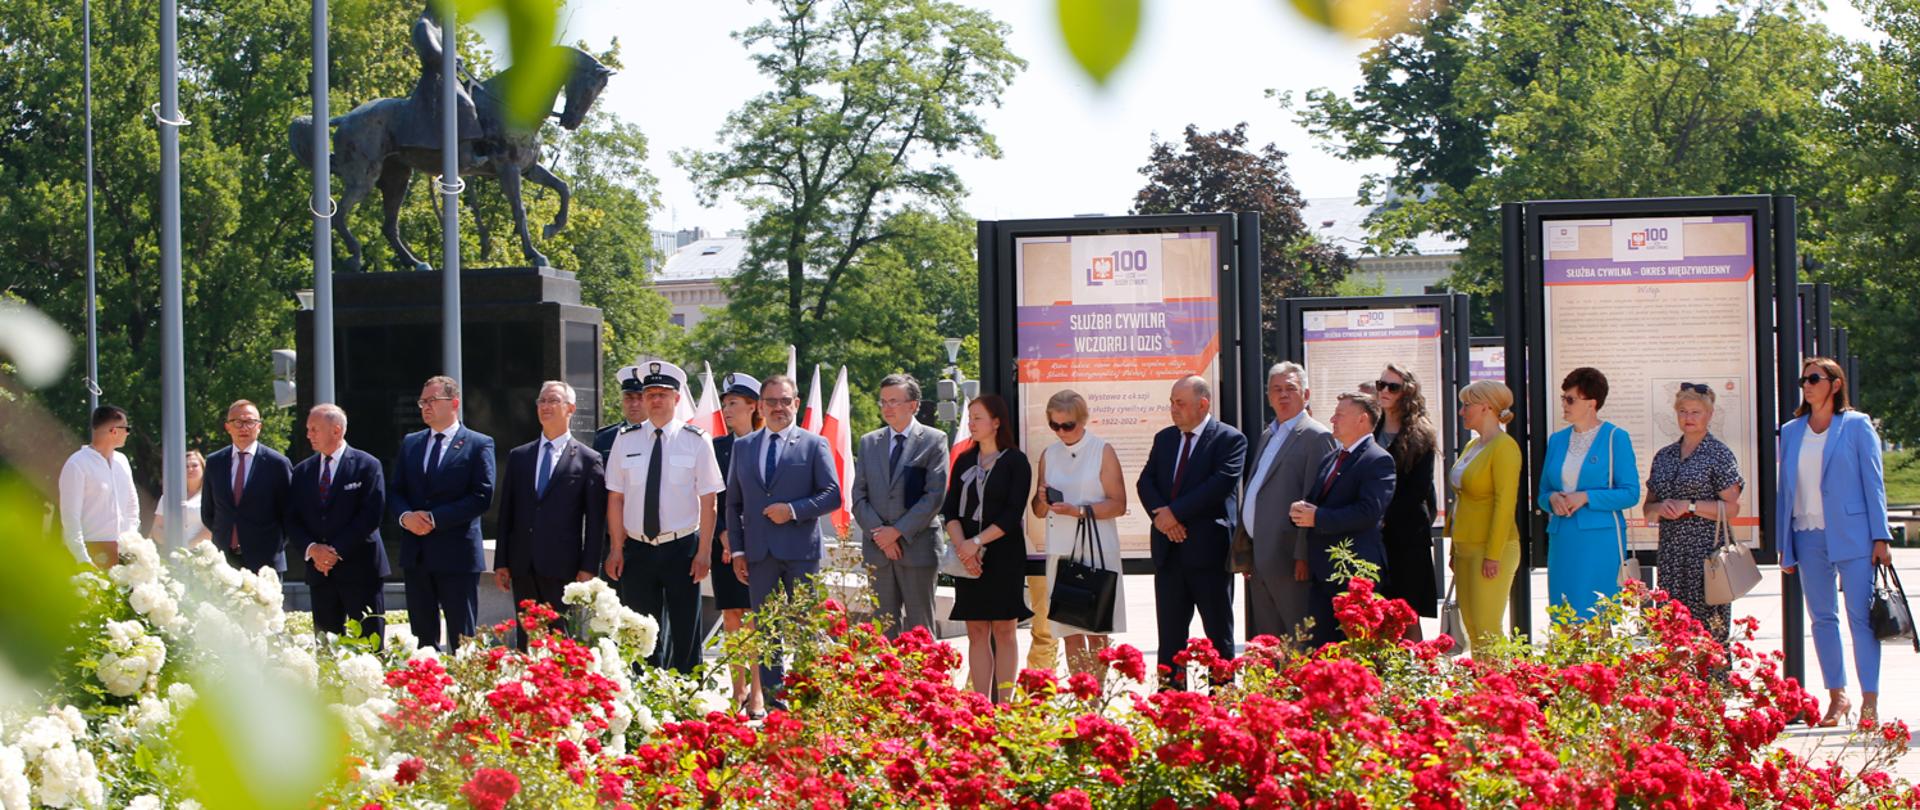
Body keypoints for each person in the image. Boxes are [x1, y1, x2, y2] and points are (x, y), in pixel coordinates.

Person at [1778, 357, 1894, 727]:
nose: (1807, 386)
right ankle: (1837, 696)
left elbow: (1874, 483)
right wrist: (1785, 544)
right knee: (1822, 619)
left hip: (1854, 535)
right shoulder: (1791, 431)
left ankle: (1870, 700)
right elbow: (1785, 492)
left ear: (1836, 383)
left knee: (1860, 618)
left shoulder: (1856, 425)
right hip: (1806, 533)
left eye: (1814, 378)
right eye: (1804, 380)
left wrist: (1881, 536)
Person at [724, 374, 840, 701]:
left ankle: (807, 701)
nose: (779, 407)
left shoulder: (814, 444)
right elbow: (733, 503)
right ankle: (775, 706)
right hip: (759, 555)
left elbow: (832, 495)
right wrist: (738, 551)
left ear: (796, 404)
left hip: (801, 553)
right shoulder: (744, 447)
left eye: (785, 401)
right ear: (760, 406)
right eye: (772, 401)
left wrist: (792, 510)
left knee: (806, 629)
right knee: (766, 632)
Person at [604, 362, 724, 674]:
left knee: (685, 633)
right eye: (650, 394)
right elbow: (615, 498)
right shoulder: (625, 439)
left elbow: (709, 500)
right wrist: (616, 548)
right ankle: (643, 695)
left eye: (663, 394)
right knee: (639, 633)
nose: (655, 400)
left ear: (677, 399)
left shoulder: (696, 439)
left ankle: (688, 695)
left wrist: (704, 552)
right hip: (638, 549)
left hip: (681, 549)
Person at [1137, 376, 1247, 684]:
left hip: (1208, 555)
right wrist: (1164, 519)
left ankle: (1222, 702)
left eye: (1180, 403)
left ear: (1203, 404)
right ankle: (1172, 702)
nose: (1174, 409)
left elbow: (1219, 485)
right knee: (1170, 641)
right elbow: (1146, 482)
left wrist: (1173, 514)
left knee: (1218, 638)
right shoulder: (1165, 439)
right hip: (1169, 555)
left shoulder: (1229, 439)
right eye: (1172, 402)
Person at [493, 381, 606, 648]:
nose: (545, 406)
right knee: (527, 640)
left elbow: (595, 521)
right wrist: (502, 562)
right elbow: (507, 512)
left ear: (570, 409)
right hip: (523, 565)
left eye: (553, 400)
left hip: (562, 567)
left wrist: (589, 567)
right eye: (541, 401)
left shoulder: (588, 459)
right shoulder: (520, 456)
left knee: (559, 641)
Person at [389, 375, 497, 651]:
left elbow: (481, 496)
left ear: (454, 403)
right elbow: (396, 491)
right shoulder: (411, 443)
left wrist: (435, 519)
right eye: (422, 402)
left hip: (456, 555)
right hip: (417, 554)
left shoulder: (478, 443)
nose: (425, 407)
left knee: (462, 641)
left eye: (432, 400)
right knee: (423, 641)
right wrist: (406, 518)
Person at [1237, 362, 1337, 646]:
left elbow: (1316, 498)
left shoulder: (1317, 436)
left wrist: (1303, 554)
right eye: (1276, 389)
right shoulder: (1269, 434)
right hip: (1262, 556)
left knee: (1299, 641)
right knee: (1269, 643)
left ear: (1306, 395)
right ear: (1268, 396)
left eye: (1290, 388)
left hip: (1291, 559)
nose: (1283, 395)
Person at [1029, 389, 1126, 675]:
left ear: (1083, 420)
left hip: (1096, 549)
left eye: (1067, 425)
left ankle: (1097, 696)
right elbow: (1038, 510)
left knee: (1096, 631)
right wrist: (1042, 498)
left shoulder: (1102, 450)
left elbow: (1119, 504)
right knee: (1068, 632)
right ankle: (1081, 694)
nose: (1061, 431)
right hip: (1060, 549)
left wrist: (1079, 511)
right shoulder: (1049, 454)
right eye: (1054, 425)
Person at [943, 395, 1033, 701]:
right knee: (977, 630)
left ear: (996, 422)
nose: (971, 423)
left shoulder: (1015, 461)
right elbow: (950, 510)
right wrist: (963, 548)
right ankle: (980, 704)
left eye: (978, 417)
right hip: (967, 555)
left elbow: (1012, 513)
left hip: (1003, 553)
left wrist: (977, 543)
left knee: (1005, 630)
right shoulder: (964, 460)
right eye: (970, 418)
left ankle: (1004, 705)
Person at [1291, 393, 1395, 647]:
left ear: (1362, 419)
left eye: (1339, 414)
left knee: (1353, 650)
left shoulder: (1378, 459)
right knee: (1321, 650)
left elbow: (1368, 512)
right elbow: (1317, 501)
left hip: (1354, 572)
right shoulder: (1332, 457)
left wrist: (1318, 517)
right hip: (1323, 572)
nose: (1332, 419)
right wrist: (1301, 511)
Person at [1643, 383, 1744, 645]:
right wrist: (1659, 509)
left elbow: (1732, 507)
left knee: (1709, 630)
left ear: (1709, 414)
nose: (1688, 418)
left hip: (1707, 553)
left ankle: (1712, 673)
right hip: (1672, 552)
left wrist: (1689, 505)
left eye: (1695, 412)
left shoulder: (1718, 454)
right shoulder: (1664, 456)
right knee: (1672, 627)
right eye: (1683, 411)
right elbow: (1648, 509)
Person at [850, 374, 949, 638]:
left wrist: (896, 532)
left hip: (917, 549)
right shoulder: (869, 442)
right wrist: (880, 535)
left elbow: (934, 496)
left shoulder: (934, 440)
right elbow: (858, 496)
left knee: (920, 632)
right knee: (882, 632)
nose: (887, 408)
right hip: (878, 552)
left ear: (913, 405)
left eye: (894, 401)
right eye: (883, 402)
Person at [1537, 367, 1639, 621]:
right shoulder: (1557, 440)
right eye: (1563, 398)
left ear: (1591, 403)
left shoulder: (1616, 437)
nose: (1564, 404)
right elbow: (1543, 493)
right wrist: (1552, 499)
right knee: (1563, 614)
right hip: (1563, 537)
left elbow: (1630, 493)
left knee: (1597, 616)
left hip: (1600, 539)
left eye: (1570, 399)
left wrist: (1586, 497)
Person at [285, 404, 390, 644]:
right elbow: (292, 518)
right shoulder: (302, 471)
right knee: (326, 648)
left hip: (361, 570)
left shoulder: (367, 465)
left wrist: (335, 551)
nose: (309, 434)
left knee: (369, 646)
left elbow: (371, 515)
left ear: (336, 430)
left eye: (314, 429)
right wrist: (314, 550)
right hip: (320, 573)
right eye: (308, 429)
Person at [1447, 381, 1523, 654]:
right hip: (1466, 546)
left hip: (1492, 548)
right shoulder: (1472, 445)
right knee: (1472, 628)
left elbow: (1505, 504)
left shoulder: (1505, 447)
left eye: (1467, 405)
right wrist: (1454, 549)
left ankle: (1502, 680)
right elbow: (1462, 499)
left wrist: (1493, 554)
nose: (1462, 411)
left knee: (1487, 628)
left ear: (1486, 407)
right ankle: (1482, 680)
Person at [1373, 364, 1439, 637]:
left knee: (1407, 614)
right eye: (1381, 385)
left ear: (1407, 392)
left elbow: (1418, 489)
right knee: (1378, 614)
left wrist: (1383, 517)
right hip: (1376, 536)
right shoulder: (1373, 426)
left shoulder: (1421, 433)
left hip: (1407, 535)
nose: (1384, 391)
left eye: (1393, 387)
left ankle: (1417, 663)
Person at [711, 372, 764, 712]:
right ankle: (738, 688)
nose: (727, 410)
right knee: (732, 615)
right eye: (725, 404)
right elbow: (709, 496)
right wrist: (722, 532)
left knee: (757, 616)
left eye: (733, 403)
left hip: (760, 544)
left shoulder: (766, 443)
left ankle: (758, 690)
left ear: (752, 406)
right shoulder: (717, 448)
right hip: (725, 544)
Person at [201, 400, 293, 572]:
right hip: (224, 562)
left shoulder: (277, 464)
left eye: (250, 422)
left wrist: (272, 546)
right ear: (228, 427)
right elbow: (208, 512)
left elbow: (290, 514)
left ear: (259, 427)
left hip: (265, 563)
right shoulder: (214, 462)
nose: (243, 428)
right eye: (237, 422)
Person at [58, 405, 140, 567]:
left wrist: (131, 541)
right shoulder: (77, 464)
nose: (128, 433)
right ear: (114, 431)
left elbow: (132, 504)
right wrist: (82, 558)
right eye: (126, 428)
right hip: (92, 550)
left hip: (123, 552)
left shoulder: (122, 461)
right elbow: (70, 517)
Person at [401, 3, 481, 156]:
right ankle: (466, 154)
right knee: (466, 105)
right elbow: (432, 52)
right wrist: (452, 58)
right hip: (435, 80)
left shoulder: (442, 29)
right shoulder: (423, 26)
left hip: (451, 79)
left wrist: (456, 59)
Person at [152, 450, 212, 548]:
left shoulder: (212, 496)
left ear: (203, 468)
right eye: (186, 466)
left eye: (195, 465)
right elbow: (156, 528)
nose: (190, 469)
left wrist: (188, 547)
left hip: (201, 552)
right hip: (172, 553)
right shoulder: (169, 497)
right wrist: (172, 544)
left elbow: (212, 528)